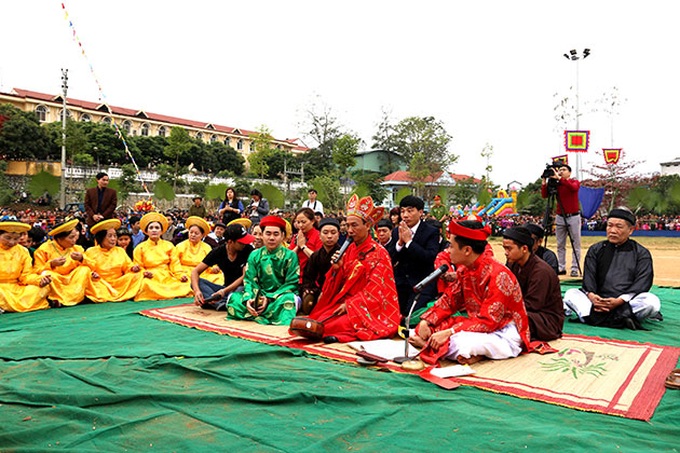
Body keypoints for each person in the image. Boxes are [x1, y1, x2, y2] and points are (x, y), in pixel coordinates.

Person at [410, 220, 532, 365]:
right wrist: (427, 321)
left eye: (452, 246)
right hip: (476, 326)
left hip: (503, 331)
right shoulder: (465, 270)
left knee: (463, 345)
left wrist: (450, 332)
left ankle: (428, 345)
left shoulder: (499, 275)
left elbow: (489, 322)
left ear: (467, 250)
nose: (448, 251)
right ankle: (436, 345)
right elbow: (449, 301)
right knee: (421, 330)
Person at [307, 194, 400, 343]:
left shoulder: (379, 254)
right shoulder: (349, 249)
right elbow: (341, 283)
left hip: (368, 308)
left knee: (331, 325)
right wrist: (337, 269)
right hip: (346, 302)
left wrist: (350, 305)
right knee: (320, 319)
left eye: (354, 225)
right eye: (348, 225)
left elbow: (376, 291)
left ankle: (339, 335)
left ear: (367, 226)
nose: (349, 230)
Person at [563, 208, 661, 329]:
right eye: (609, 225)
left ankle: (592, 318)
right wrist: (592, 296)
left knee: (651, 302)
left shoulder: (641, 253)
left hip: (625, 303)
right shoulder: (596, 249)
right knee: (570, 294)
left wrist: (619, 301)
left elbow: (642, 282)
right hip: (597, 302)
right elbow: (589, 277)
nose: (613, 230)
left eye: (619, 226)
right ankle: (621, 319)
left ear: (631, 230)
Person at [227, 215, 299, 325]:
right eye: (268, 233)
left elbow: (292, 283)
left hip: (279, 297)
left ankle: (258, 313)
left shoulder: (290, 255)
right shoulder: (254, 255)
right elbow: (250, 280)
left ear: (282, 236)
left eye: (276, 234)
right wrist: (250, 299)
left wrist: (269, 298)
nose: (271, 238)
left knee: (289, 300)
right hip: (258, 296)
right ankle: (260, 311)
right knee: (233, 299)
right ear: (262, 235)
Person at [502, 226, 564, 341]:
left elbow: (532, 305)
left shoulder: (541, 271)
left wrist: (503, 309)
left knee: (507, 320)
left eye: (509, 249)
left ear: (524, 249)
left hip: (545, 320)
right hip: (523, 311)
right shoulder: (513, 264)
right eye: (504, 248)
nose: (506, 253)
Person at [387, 195, 441, 317]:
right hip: (400, 283)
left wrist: (409, 243)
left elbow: (429, 257)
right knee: (392, 314)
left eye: (410, 211)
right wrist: (399, 244)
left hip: (423, 283)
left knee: (411, 315)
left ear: (420, 212)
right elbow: (390, 258)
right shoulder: (397, 231)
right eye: (402, 211)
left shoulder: (431, 231)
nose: (405, 215)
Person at [191, 223, 255, 311]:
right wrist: (197, 291)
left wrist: (223, 292)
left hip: (241, 288)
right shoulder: (218, 252)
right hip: (225, 289)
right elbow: (195, 272)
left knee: (241, 290)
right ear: (230, 242)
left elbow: (245, 277)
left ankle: (216, 302)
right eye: (241, 242)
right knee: (197, 282)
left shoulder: (248, 250)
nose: (244, 244)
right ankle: (224, 303)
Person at [133, 212, 192, 301]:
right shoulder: (140, 247)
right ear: (146, 231)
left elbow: (175, 264)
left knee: (186, 284)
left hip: (167, 275)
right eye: (151, 228)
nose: (154, 230)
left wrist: (180, 275)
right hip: (151, 277)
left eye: (157, 228)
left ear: (161, 231)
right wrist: (144, 273)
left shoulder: (169, 245)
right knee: (145, 285)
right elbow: (138, 265)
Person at [33, 219, 92, 307]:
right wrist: (51, 264)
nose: (74, 240)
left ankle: (75, 298)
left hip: (72, 279)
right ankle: (58, 299)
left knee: (84, 270)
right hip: (56, 279)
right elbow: (37, 270)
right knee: (46, 274)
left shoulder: (77, 248)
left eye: (75, 237)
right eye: (71, 237)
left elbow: (93, 266)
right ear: (59, 238)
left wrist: (82, 259)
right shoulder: (44, 249)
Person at [84, 219, 143, 303]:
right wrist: (92, 274)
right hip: (100, 283)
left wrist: (133, 268)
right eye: (110, 236)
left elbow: (128, 266)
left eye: (115, 236)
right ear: (101, 238)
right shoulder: (91, 251)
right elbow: (87, 268)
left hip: (119, 283)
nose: (113, 239)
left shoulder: (120, 250)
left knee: (137, 275)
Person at [0, 221, 51, 313]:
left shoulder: (23, 251)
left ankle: (6, 307)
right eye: (7, 238)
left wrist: (39, 280)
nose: (12, 242)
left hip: (16, 288)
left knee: (41, 288)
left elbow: (26, 276)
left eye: (16, 239)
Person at [541, 164, 581, 277]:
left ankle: (575, 268)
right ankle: (561, 266)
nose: (561, 172)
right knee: (560, 244)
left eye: (564, 170)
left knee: (576, 244)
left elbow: (573, 188)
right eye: (559, 170)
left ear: (569, 172)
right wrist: (544, 181)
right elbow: (545, 195)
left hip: (573, 216)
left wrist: (560, 179)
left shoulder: (574, 182)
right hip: (560, 216)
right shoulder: (557, 184)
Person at [300, 217, 341, 314]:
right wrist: (310, 289)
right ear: (319, 235)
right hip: (320, 290)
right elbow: (308, 277)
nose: (329, 236)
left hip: (338, 291)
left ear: (338, 235)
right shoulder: (316, 255)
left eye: (333, 232)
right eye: (325, 233)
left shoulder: (343, 254)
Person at [175, 216, 222, 285]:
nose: (193, 235)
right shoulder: (180, 246)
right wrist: (180, 274)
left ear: (202, 235)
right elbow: (175, 262)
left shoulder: (206, 247)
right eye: (191, 232)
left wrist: (214, 267)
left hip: (203, 272)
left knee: (218, 278)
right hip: (185, 272)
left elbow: (212, 261)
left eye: (196, 233)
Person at [290, 207, 322, 284]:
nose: (300, 225)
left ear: (312, 221)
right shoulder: (296, 236)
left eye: (303, 222)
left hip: (312, 278)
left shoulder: (319, 236)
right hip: (295, 276)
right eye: (298, 222)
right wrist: (298, 246)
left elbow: (318, 259)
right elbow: (289, 257)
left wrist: (303, 247)